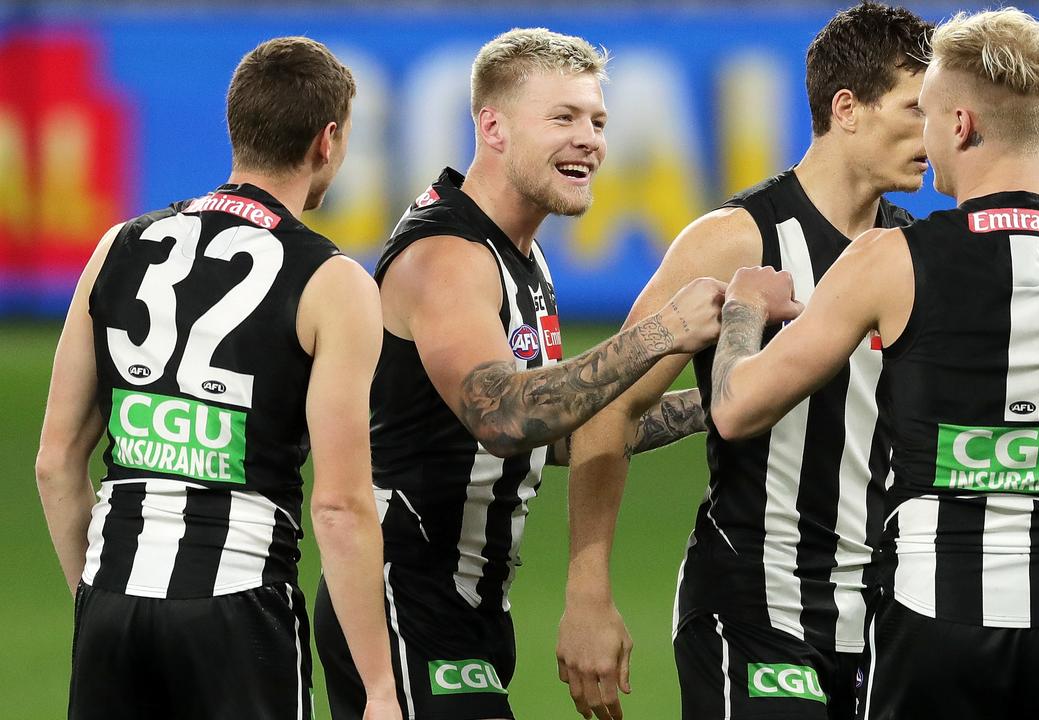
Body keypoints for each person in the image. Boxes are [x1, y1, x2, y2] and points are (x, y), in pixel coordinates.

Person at [708, 8, 1039, 720]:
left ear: (959, 126)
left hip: (930, 616)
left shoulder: (891, 260)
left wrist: (742, 310)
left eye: (926, 113)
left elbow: (736, 409)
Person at [312, 28, 726, 720]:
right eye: (562, 118)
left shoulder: (520, 256)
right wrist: (661, 334)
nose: (589, 139)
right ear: (493, 126)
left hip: (465, 607)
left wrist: (718, 402)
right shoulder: (446, 257)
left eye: (596, 121)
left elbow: (556, 425)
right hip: (402, 597)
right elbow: (505, 416)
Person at [556, 4, 934, 719]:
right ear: (847, 109)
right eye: (915, 110)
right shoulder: (734, 240)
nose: (933, 134)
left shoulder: (916, 255)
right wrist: (587, 593)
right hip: (754, 607)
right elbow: (615, 404)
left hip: (890, 619)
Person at [34, 37, 400, 720]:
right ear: (328, 141)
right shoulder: (333, 282)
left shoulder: (119, 244)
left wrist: (99, 595)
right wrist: (379, 688)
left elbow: (56, 462)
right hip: (239, 606)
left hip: (113, 601)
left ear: (237, 127)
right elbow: (339, 507)